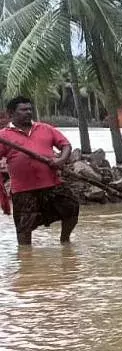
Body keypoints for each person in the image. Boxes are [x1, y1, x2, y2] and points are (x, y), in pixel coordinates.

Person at [0, 96, 80, 246]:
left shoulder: (45, 128)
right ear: (11, 113)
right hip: (23, 190)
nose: (28, 112)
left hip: (52, 184)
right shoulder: (4, 135)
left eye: (30, 109)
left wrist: (60, 160)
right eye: (23, 110)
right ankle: (27, 260)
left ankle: (65, 241)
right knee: (24, 227)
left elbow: (66, 146)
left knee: (72, 208)